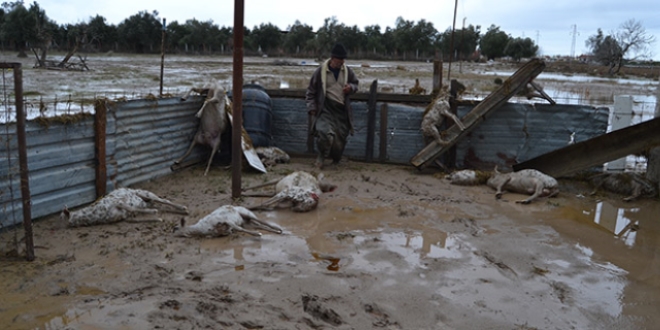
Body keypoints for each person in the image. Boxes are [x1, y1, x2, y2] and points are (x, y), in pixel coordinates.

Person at [305, 43, 359, 169]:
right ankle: (321, 156)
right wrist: (311, 107)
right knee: (324, 132)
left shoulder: (347, 71)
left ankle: (336, 159)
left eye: (343, 59)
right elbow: (310, 92)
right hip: (325, 108)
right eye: (340, 59)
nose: (342, 62)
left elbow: (356, 84)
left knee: (340, 139)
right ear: (333, 58)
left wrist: (350, 88)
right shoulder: (320, 72)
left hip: (341, 110)